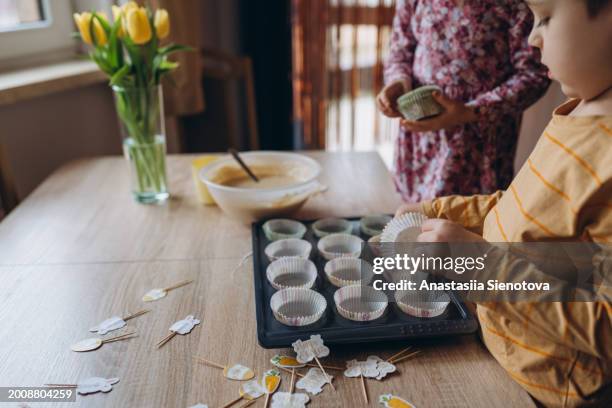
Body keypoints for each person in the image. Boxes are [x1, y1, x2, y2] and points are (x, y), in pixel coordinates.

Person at [396, 0, 612, 405]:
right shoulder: (579, 111)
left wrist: (480, 265)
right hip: (494, 348)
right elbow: (521, 207)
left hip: (541, 392)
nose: (532, 36)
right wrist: (437, 211)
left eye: (546, 18)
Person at [377, 0, 550, 203]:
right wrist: (398, 83)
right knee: (413, 220)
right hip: (422, 139)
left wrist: (472, 111)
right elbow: (400, 51)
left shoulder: (513, 5)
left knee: (466, 223)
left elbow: (534, 74)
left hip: (479, 145)